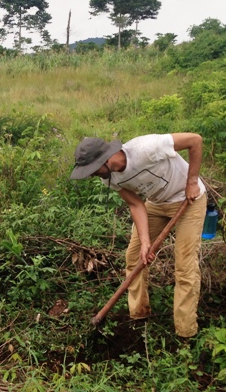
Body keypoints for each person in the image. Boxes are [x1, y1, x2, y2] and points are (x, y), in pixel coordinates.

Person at [70, 133, 207, 338]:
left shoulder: (147, 148)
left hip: (189, 200)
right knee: (134, 257)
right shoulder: (109, 177)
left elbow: (195, 140)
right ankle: (138, 316)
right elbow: (136, 204)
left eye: (92, 170)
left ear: (104, 160)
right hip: (157, 204)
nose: (91, 175)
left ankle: (185, 332)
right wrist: (145, 242)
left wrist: (192, 181)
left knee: (184, 266)